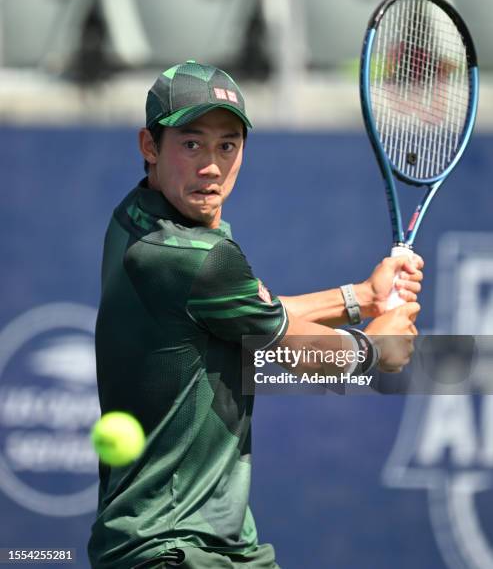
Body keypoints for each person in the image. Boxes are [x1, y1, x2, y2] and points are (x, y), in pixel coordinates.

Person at [87, 60, 423, 569]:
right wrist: (375, 350)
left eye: (228, 145)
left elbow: (240, 315)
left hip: (207, 544)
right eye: (192, 143)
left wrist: (362, 297)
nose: (212, 166)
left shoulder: (137, 216)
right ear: (149, 146)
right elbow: (282, 343)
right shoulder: (194, 255)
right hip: (174, 546)